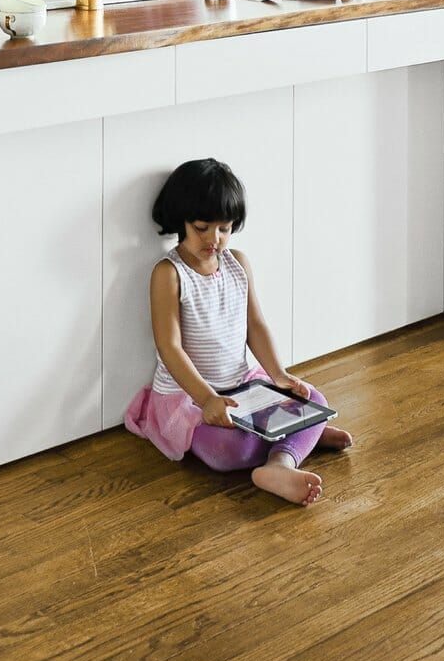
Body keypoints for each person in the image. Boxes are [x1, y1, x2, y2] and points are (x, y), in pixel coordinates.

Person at [125, 158, 351, 506]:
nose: (214, 239)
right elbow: (169, 348)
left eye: (224, 228)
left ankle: (280, 463)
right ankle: (296, 439)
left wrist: (278, 375)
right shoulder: (169, 274)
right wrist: (206, 399)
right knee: (227, 449)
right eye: (202, 228)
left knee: (315, 400)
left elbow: (255, 326)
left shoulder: (238, 263)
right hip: (192, 397)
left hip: (244, 384)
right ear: (180, 220)